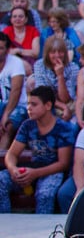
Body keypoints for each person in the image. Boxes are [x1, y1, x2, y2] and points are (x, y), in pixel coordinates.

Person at [0, 86, 76, 214]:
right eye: (28, 103)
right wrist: (14, 170)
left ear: (47, 105)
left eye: (34, 104)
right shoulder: (27, 125)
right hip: (32, 169)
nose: (29, 108)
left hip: (52, 172)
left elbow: (63, 164)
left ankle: (41, 231)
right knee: (1, 180)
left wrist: (35, 173)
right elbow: (12, 154)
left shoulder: (63, 128)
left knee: (45, 194)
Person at [33, 37, 79, 121]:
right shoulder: (39, 65)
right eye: (53, 52)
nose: (57, 55)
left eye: (60, 52)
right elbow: (42, 95)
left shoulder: (73, 67)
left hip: (68, 103)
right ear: (47, 53)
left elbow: (65, 99)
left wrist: (60, 75)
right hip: (46, 101)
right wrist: (63, 107)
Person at [0, 34, 28, 150]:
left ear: (7, 50)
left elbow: (15, 91)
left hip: (17, 105)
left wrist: (6, 114)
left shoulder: (16, 63)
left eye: (1, 48)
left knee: (8, 125)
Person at [4, 6, 40, 75]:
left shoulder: (33, 31)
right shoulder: (6, 31)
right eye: (14, 16)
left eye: (20, 16)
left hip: (31, 65)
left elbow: (35, 53)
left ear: (26, 19)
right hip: (11, 65)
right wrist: (21, 61)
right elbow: (4, 53)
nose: (17, 19)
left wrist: (18, 50)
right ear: (11, 19)